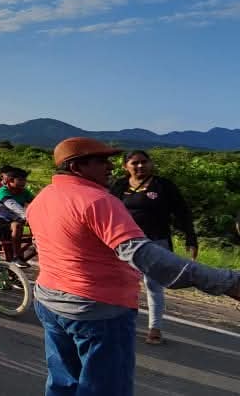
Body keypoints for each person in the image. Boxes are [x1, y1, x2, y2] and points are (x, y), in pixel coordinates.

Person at [27, 137, 240, 396]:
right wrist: (227, 282)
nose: (110, 166)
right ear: (76, 167)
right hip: (96, 310)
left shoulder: (43, 197)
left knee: (63, 383)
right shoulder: (97, 200)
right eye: (101, 161)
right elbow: (143, 254)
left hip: (49, 301)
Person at [109, 150, 199, 345]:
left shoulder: (163, 186)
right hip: (124, 243)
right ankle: (121, 323)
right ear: (125, 166)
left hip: (156, 242)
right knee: (122, 283)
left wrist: (191, 238)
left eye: (144, 162)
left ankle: (154, 328)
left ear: (151, 163)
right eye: (135, 163)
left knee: (153, 286)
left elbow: (182, 213)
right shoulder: (119, 185)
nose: (140, 166)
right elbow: (108, 212)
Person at [0, 167, 34, 268]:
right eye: (20, 180)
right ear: (10, 180)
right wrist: (27, 216)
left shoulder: (24, 191)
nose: (23, 182)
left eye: (24, 180)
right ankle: (16, 257)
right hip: (1, 220)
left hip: (16, 218)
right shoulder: (3, 191)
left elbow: (36, 203)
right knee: (17, 226)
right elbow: (13, 205)